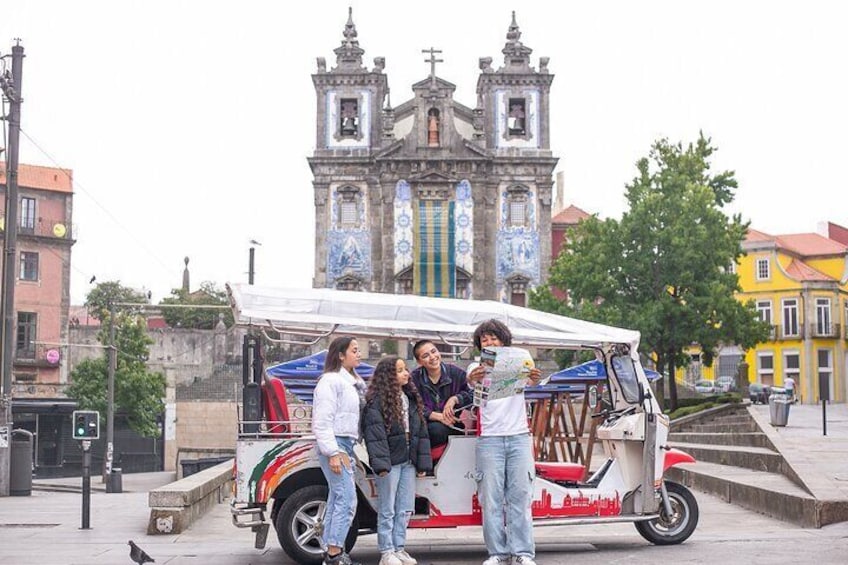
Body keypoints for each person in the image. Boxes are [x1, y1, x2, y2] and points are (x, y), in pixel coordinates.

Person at [467, 319, 542, 565]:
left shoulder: (518, 360)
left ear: (503, 340)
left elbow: (531, 382)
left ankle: (522, 553)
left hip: (519, 436)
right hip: (489, 440)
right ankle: (497, 553)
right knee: (491, 499)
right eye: (484, 340)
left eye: (493, 338)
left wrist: (532, 379)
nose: (489, 343)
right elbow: (472, 382)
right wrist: (475, 378)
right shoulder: (474, 367)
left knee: (520, 496)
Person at [362, 356, 432, 565]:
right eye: (399, 370)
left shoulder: (409, 398)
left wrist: (422, 464)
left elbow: (421, 433)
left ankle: (399, 548)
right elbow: (375, 436)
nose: (405, 373)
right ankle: (386, 551)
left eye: (405, 370)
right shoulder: (377, 402)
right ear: (388, 376)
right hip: (391, 461)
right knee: (387, 507)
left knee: (405, 506)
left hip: (408, 459)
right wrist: (381, 464)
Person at [312, 337, 367, 565]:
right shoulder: (331, 381)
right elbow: (322, 420)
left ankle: (333, 552)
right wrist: (333, 452)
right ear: (341, 355)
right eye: (354, 350)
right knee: (346, 500)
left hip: (344, 444)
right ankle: (334, 554)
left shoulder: (351, 382)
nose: (359, 354)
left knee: (338, 498)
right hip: (337, 444)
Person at [410, 340, 475, 448]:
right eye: (426, 355)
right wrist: (436, 416)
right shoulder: (414, 379)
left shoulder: (456, 373)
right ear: (419, 362)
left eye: (433, 351)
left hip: (453, 424)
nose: (432, 357)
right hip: (426, 427)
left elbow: (474, 394)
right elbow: (411, 406)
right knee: (434, 430)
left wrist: (455, 399)